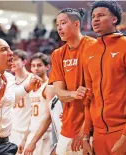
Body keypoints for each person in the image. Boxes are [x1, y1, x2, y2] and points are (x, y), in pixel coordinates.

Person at [82, 1, 126, 155]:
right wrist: (85, 136)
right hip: (98, 135)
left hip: (122, 131)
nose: (95, 19)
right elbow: (89, 97)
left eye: (101, 15)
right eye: (93, 16)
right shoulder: (89, 52)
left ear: (114, 19)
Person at [48, 8, 96, 155]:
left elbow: (99, 93)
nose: (59, 28)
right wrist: (75, 94)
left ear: (76, 24)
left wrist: (85, 130)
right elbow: (59, 93)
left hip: (92, 128)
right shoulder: (58, 54)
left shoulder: (94, 47)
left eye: (63, 23)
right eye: (57, 25)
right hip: (68, 126)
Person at [19, 53, 53, 155]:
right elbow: (32, 116)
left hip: (45, 135)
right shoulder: (32, 87)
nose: (36, 68)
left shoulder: (49, 87)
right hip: (32, 134)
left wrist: (33, 142)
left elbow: (48, 117)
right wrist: (25, 139)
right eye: (33, 66)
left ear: (47, 67)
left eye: (39, 65)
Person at [9, 49, 33, 155]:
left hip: (29, 131)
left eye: (15, 60)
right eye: (10, 60)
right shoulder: (8, 82)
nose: (12, 63)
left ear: (24, 62)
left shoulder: (33, 79)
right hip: (12, 132)